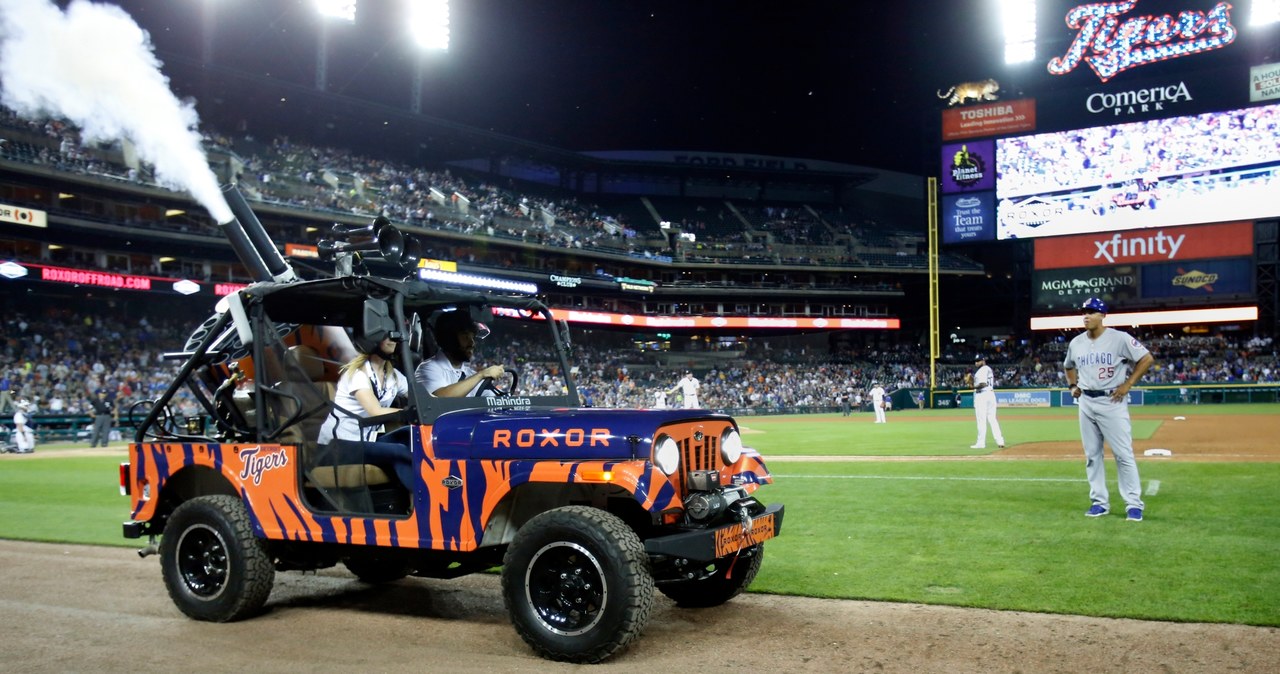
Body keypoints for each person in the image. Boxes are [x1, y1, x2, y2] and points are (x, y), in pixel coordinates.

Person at [1063, 297, 1155, 522]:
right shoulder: (1076, 343)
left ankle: (1133, 504)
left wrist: (1128, 384)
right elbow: (1068, 367)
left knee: (1123, 455)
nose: (1086, 315)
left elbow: (1146, 358)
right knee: (1092, 456)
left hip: (1111, 401)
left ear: (1103, 315)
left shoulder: (1119, 338)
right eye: (1084, 311)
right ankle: (1099, 502)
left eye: (1092, 311)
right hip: (1086, 402)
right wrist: (1073, 385)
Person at [317, 334, 414, 488]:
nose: (393, 339)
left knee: (410, 437)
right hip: (337, 445)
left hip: (365, 441)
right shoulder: (356, 374)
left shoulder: (393, 376)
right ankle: (419, 502)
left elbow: (421, 397)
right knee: (399, 450)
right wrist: (407, 413)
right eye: (386, 335)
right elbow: (375, 411)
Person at [415, 310, 505, 397]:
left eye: (473, 337)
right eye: (465, 337)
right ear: (449, 339)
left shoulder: (470, 374)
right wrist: (481, 374)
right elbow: (440, 400)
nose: (472, 343)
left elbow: (490, 397)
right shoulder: (428, 369)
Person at [970, 354, 1005, 449]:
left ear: (983, 360)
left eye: (978, 361)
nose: (976, 362)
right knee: (992, 419)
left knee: (981, 420)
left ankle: (981, 443)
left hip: (982, 395)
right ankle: (1000, 440)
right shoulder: (988, 369)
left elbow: (982, 384)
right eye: (976, 361)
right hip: (991, 395)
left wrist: (972, 386)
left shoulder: (982, 370)